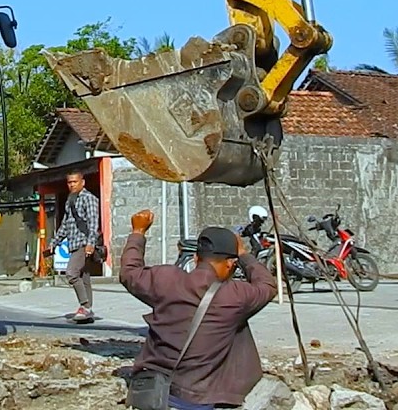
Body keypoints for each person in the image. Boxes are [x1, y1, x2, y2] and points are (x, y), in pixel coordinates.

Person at [120, 209, 277, 409]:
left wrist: (138, 232)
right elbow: (267, 285)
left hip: (153, 391)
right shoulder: (235, 295)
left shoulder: (166, 280)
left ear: (196, 259)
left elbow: (129, 273)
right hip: (198, 398)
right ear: (230, 264)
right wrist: (244, 255)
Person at [43, 171, 102, 323]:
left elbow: (93, 223)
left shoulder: (89, 199)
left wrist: (90, 243)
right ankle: (87, 312)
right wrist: (54, 242)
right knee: (84, 277)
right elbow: (65, 224)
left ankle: (85, 306)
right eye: (69, 182)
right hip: (74, 244)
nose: (71, 185)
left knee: (71, 273)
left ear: (82, 182)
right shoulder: (70, 200)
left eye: (75, 182)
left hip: (84, 243)